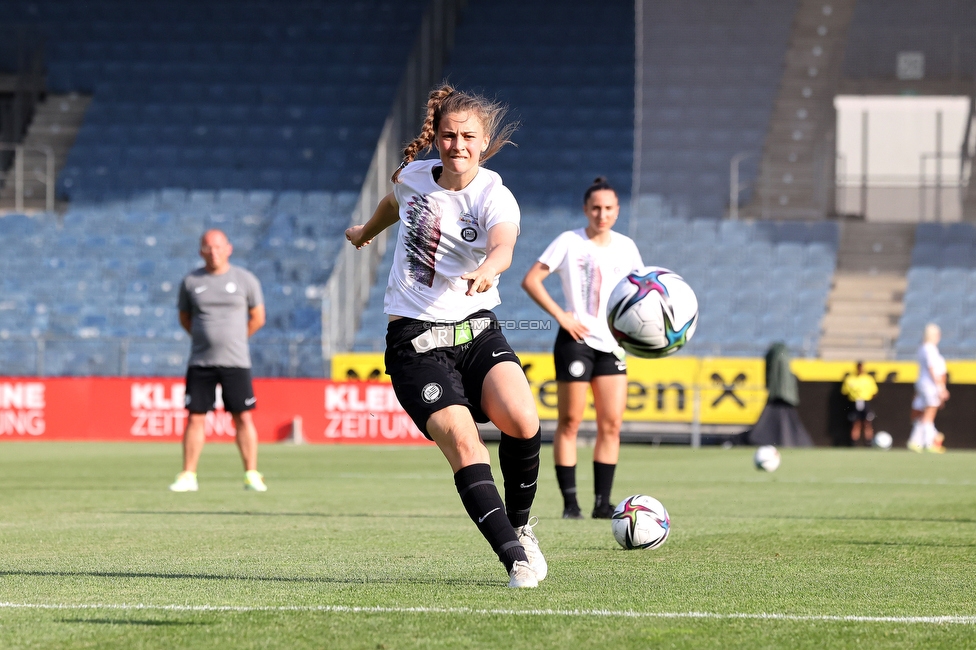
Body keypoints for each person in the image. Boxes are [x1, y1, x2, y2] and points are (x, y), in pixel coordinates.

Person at [344, 84, 546, 588]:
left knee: (523, 420)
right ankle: (515, 559)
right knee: (463, 440)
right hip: (415, 341)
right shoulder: (415, 175)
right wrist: (366, 231)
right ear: (436, 138)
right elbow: (395, 201)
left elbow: (504, 244)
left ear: (485, 141)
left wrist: (488, 270)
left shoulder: (494, 194)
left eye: (468, 137)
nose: (457, 145)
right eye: (449, 135)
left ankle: (521, 525)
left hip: (477, 328)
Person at [521, 177, 643, 519]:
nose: (601, 214)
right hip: (575, 341)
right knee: (571, 420)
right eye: (595, 208)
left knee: (611, 424)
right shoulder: (569, 242)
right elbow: (531, 279)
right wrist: (562, 316)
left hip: (613, 344)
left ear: (617, 211)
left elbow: (639, 296)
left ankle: (603, 503)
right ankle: (570, 504)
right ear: (585, 210)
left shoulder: (627, 247)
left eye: (608, 208)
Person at [169, 229, 269, 492]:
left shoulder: (245, 280)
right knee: (195, 417)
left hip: (236, 362)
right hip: (201, 361)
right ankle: (188, 475)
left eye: (218, 247)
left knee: (243, 417)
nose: (213, 252)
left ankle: (252, 474)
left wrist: (235, 340)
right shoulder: (190, 281)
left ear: (228, 248)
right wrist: (205, 339)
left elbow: (258, 317)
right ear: (201, 250)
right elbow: (184, 318)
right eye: (207, 247)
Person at [907, 323, 949, 453]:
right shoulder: (930, 349)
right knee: (929, 415)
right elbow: (932, 370)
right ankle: (930, 443)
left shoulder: (922, 348)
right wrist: (941, 388)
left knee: (923, 415)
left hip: (922, 385)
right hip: (929, 386)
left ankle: (915, 442)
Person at [840, 361, 878, 446]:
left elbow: (874, 392)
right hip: (854, 402)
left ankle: (869, 442)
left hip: (865, 402)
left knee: (867, 422)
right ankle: (853, 442)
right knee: (855, 422)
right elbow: (844, 392)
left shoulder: (868, 379)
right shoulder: (850, 379)